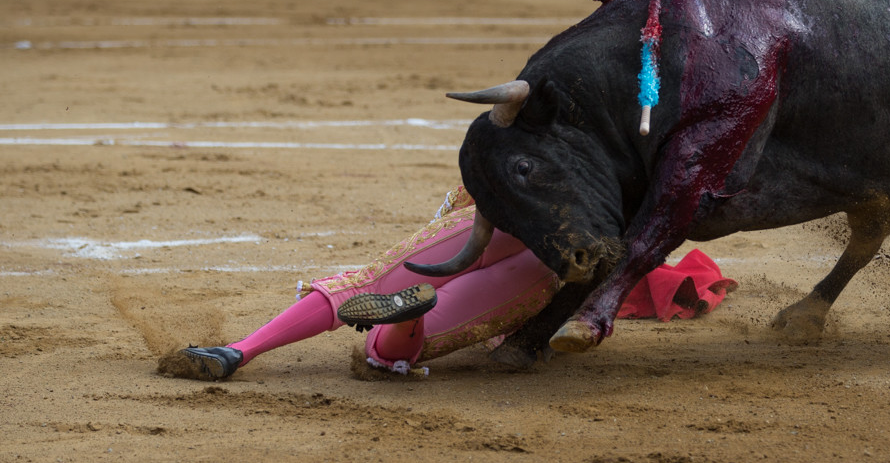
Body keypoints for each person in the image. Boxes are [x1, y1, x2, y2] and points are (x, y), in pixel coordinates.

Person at [158, 187, 737, 381]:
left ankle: (238, 351)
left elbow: (473, 174)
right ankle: (407, 318)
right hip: (557, 261)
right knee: (391, 351)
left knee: (357, 285)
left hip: (500, 212)